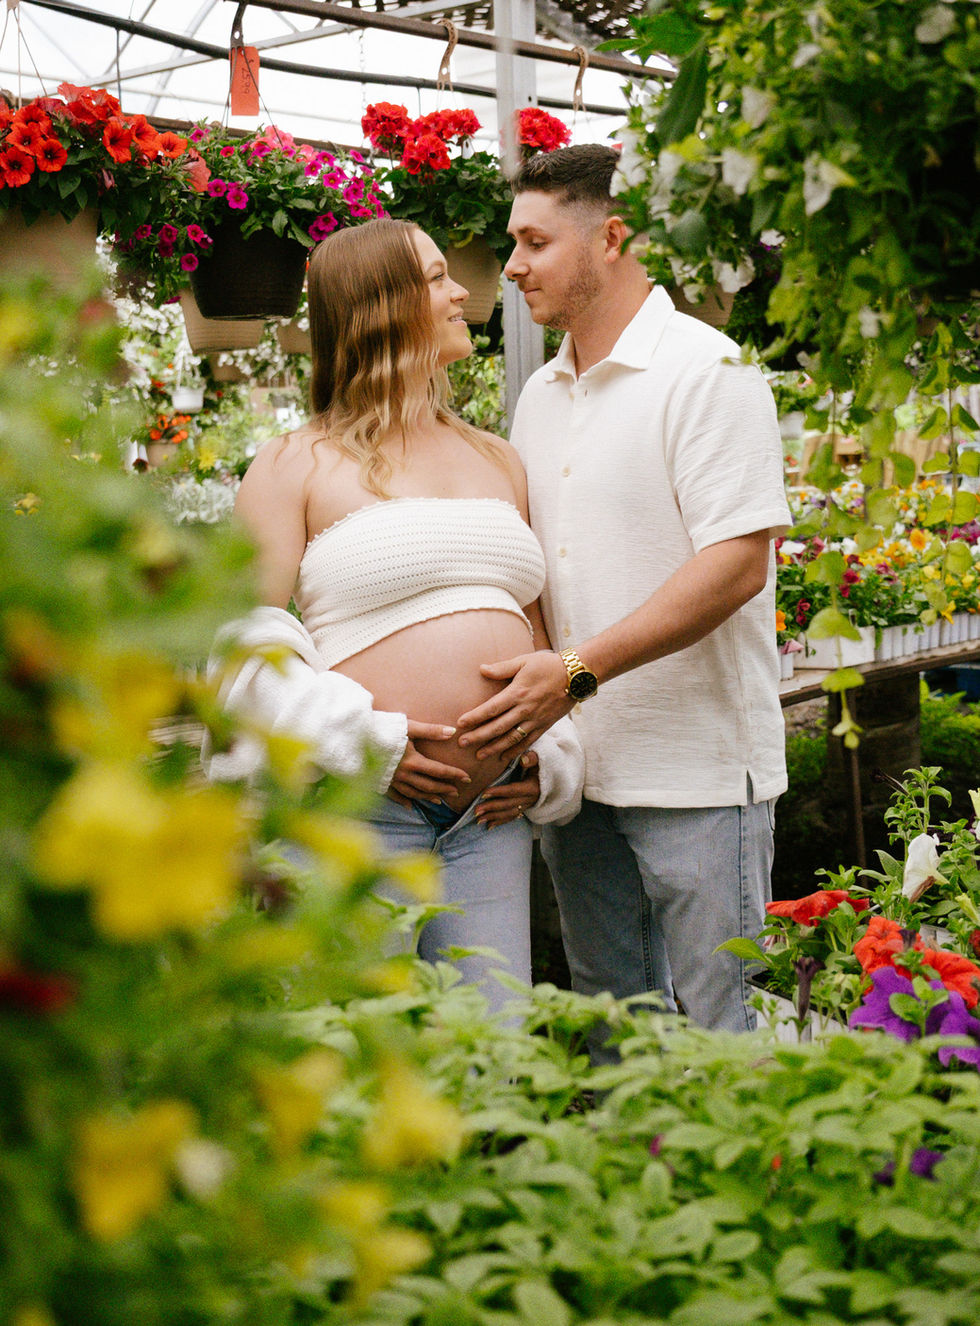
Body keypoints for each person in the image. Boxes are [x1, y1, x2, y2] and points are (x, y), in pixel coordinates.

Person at [454, 144, 793, 1038]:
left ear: (610, 236)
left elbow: (735, 564)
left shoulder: (706, 372)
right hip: (580, 776)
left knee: (728, 1025)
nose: (513, 265)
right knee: (609, 1021)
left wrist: (571, 671)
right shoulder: (538, 393)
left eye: (534, 242)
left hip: (699, 772)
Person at [205, 218, 583, 1013]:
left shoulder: (497, 458)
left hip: (490, 819)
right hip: (361, 813)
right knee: (352, 1054)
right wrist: (367, 746)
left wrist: (549, 754)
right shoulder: (293, 462)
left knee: (496, 1059)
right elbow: (238, 646)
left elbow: (540, 635)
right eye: (439, 276)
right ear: (380, 304)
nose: (462, 292)